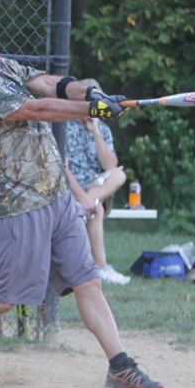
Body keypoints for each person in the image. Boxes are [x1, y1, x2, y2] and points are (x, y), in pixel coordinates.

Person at [0, 22, 163, 388]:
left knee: (89, 281)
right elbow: (37, 109)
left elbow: (52, 85)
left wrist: (92, 91)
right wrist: (90, 109)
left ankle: (119, 365)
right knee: (3, 298)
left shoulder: (5, 68)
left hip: (58, 195)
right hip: (19, 204)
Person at [64, 118, 131, 285]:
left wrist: (96, 131)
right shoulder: (63, 125)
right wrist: (81, 196)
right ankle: (101, 268)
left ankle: (87, 204)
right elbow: (61, 168)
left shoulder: (102, 129)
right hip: (69, 187)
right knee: (97, 210)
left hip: (94, 186)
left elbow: (110, 165)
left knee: (119, 174)